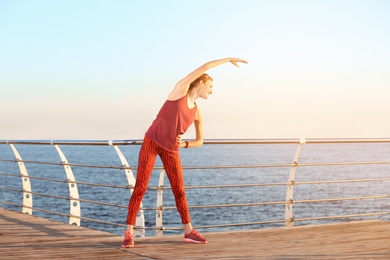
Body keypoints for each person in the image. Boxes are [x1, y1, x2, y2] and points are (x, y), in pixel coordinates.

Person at [122, 57, 248, 248]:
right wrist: (228, 60)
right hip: (152, 143)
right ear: (201, 82)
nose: (212, 91)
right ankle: (129, 234)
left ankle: (189, 232)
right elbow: (205, 66)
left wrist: (184, 145)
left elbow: (200, 141)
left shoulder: (197, 112)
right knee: (140, 188)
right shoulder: (179, 91)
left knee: (179, 191)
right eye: (210, 86)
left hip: (172, 149)